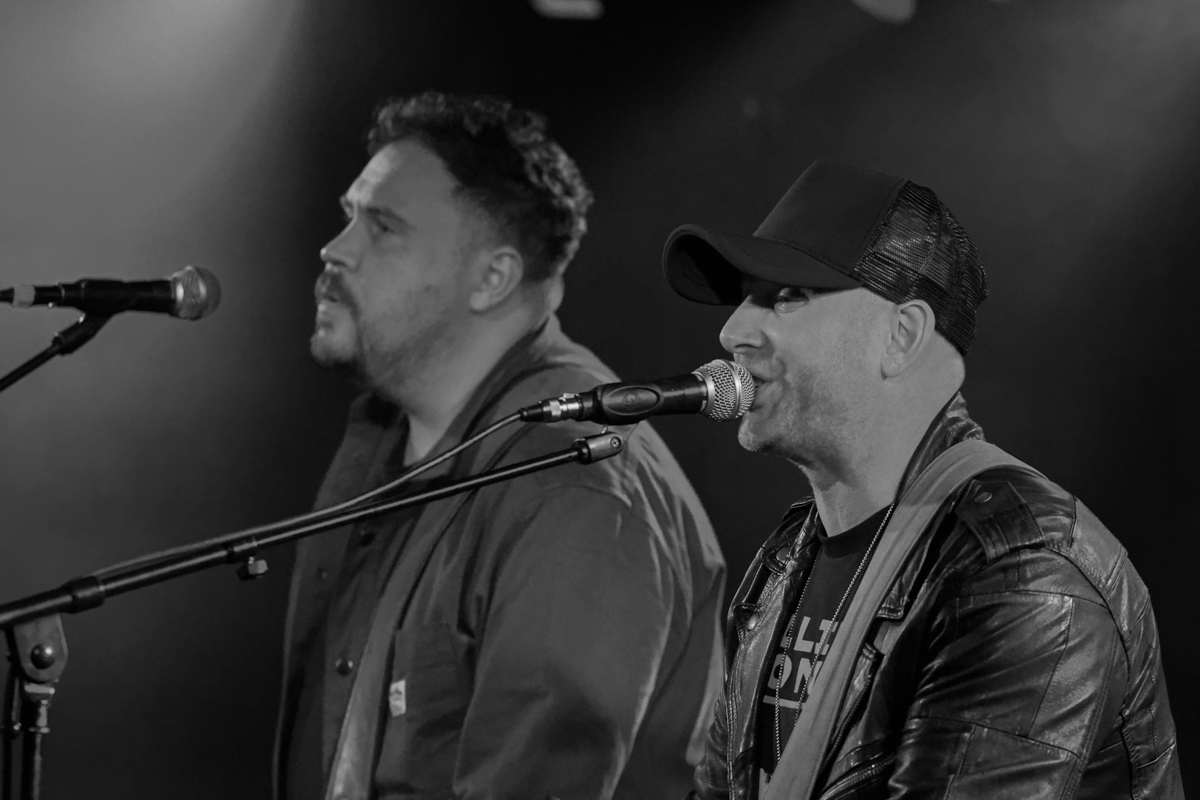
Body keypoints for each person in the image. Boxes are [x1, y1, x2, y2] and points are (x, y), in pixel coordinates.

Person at [662, 160, 1182, 799]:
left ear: (901, 336)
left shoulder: (1026, 572)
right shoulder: (785, 559)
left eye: (787, 296)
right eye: (746, 296)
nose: (733, 331)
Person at [274, 92, 726, 800]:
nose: (336, 249)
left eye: (383, 227)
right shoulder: (390, 441)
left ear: (492, 278)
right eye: (349, 215)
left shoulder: (571, 484)